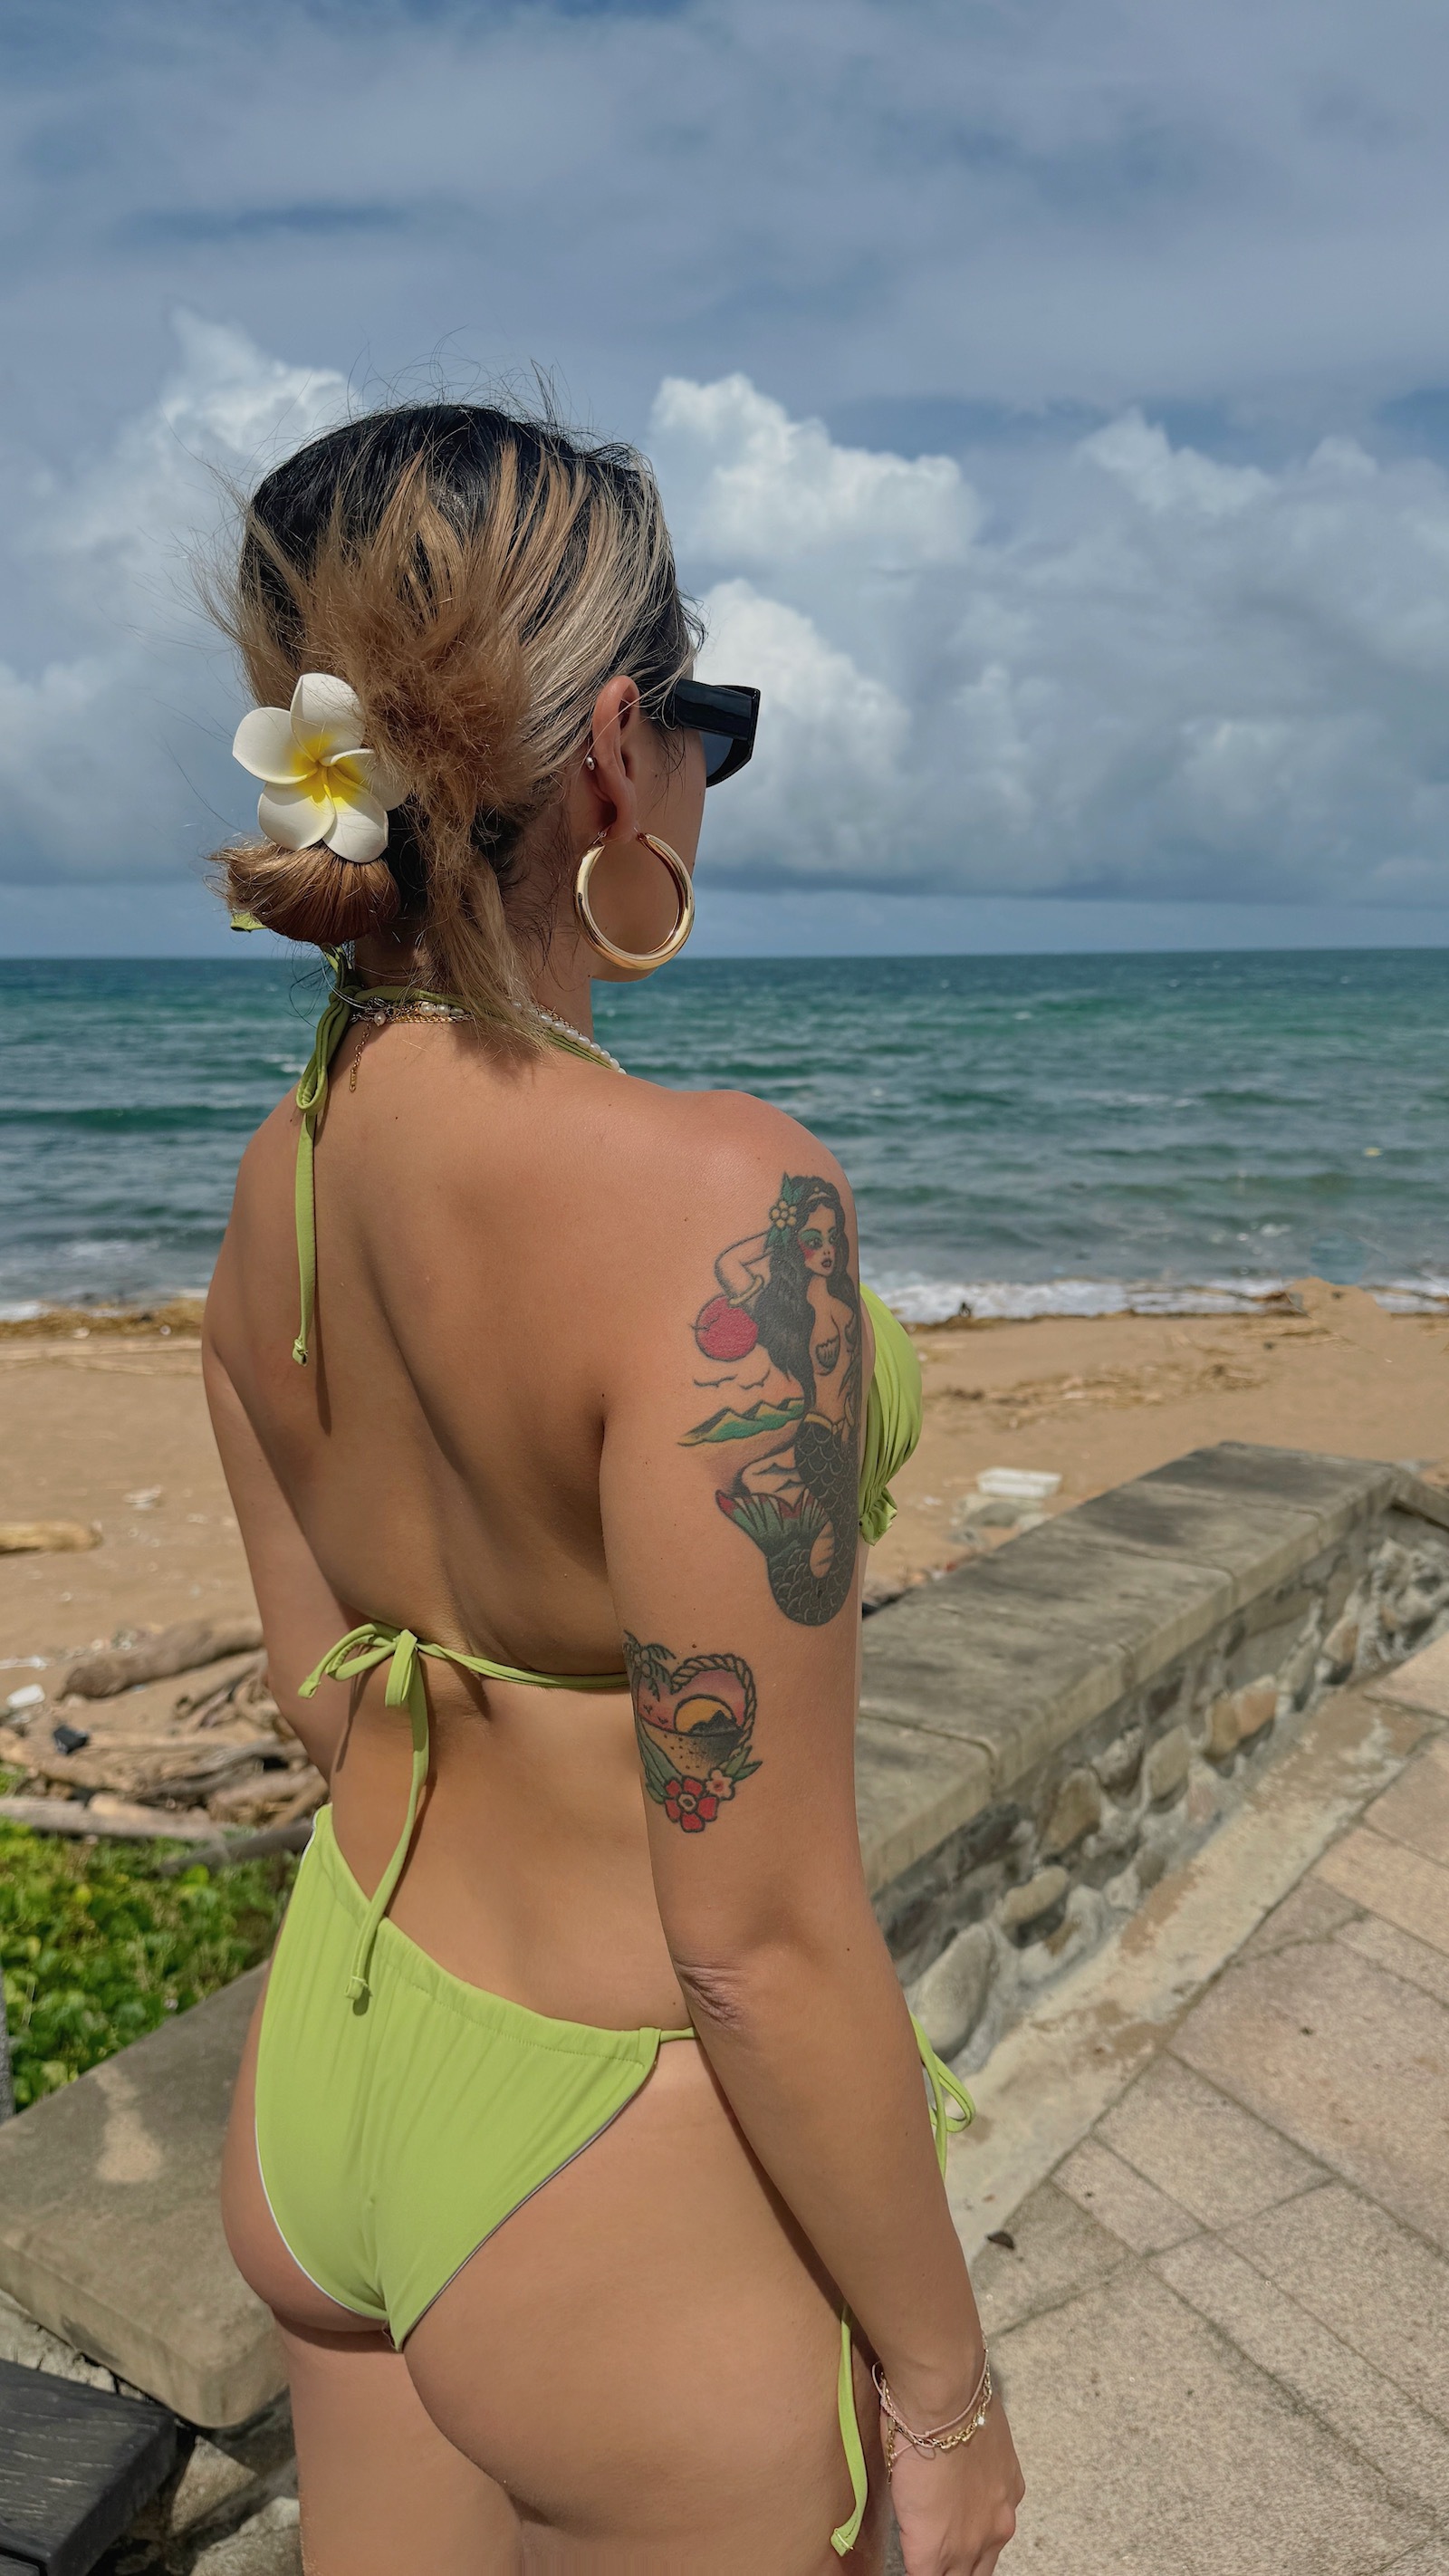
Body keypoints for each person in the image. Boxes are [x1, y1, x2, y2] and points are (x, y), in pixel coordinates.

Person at [203, 398, 1023, 2575]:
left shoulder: (282, 1175)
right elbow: (752, 1937)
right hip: (609, 2144)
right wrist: (944, 2393)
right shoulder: (720, 1205)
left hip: (341, 2048)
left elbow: (318, 1688)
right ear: (606, 755)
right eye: (705, 727)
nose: (700, 775)